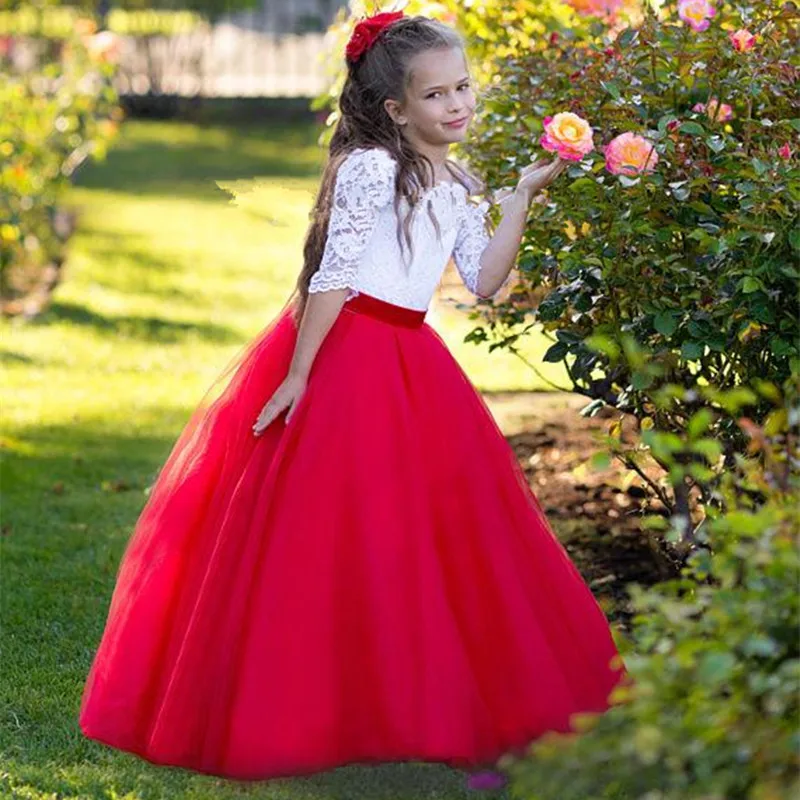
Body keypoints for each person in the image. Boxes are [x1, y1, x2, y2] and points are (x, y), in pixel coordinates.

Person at [78, 10, 628, 790]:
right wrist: (299, 374)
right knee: (322, 528)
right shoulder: (373, 167)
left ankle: (402, 699)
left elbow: (484, 279)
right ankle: (306, 703)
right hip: (348, 351)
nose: (457, 105)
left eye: (463, 88)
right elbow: (334, 274)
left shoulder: (456, 178)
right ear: (396, 109)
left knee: (426, 528)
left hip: (414, 361)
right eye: (436, 95)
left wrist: (520, 199)